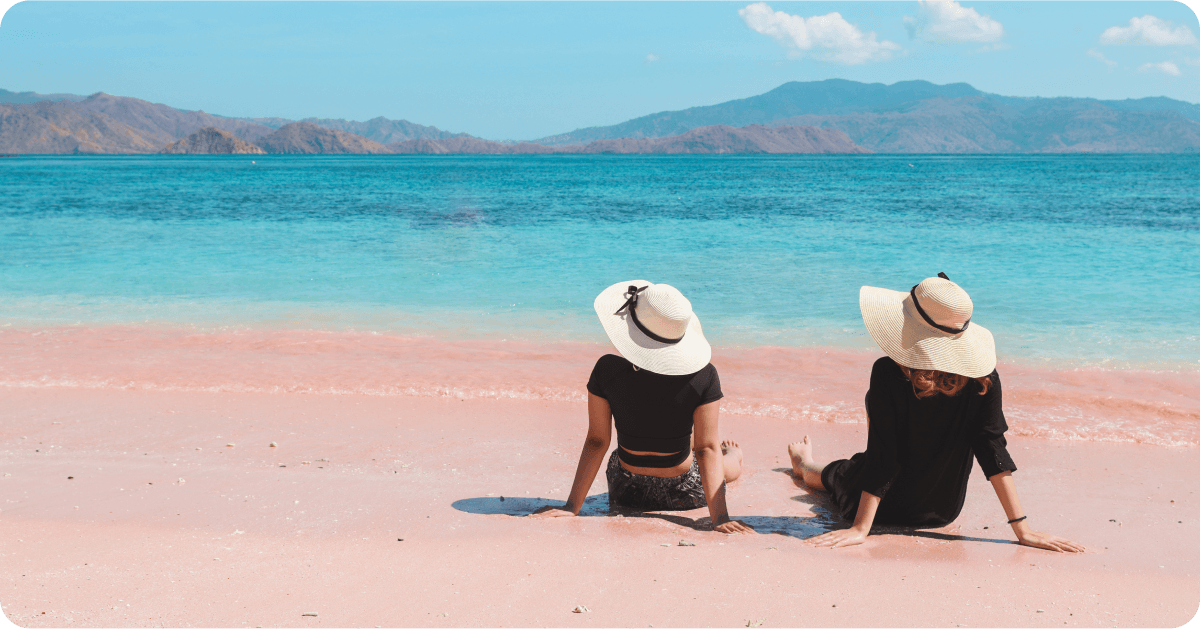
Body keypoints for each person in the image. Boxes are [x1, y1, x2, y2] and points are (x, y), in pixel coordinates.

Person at [788, 273, 1084, 552]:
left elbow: (883, 457)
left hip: (879, 508)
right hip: (942, 512)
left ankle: (805, 464)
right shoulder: (984, 379)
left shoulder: (887, 372)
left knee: (841, 473)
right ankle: (808, 465)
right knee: (853, 468)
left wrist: (861, 528)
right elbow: (992, 451)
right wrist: (1023, 530)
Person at [531, 281, 754, 534]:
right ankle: (735, 458)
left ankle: (715, 454)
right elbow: (707, 449)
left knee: (646, 442)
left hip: (626, 492)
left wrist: (572, 507)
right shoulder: (704, 376)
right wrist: (720, 518)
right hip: (688, 494)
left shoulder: (607, 370)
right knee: (712, 456)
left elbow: (597, 441)